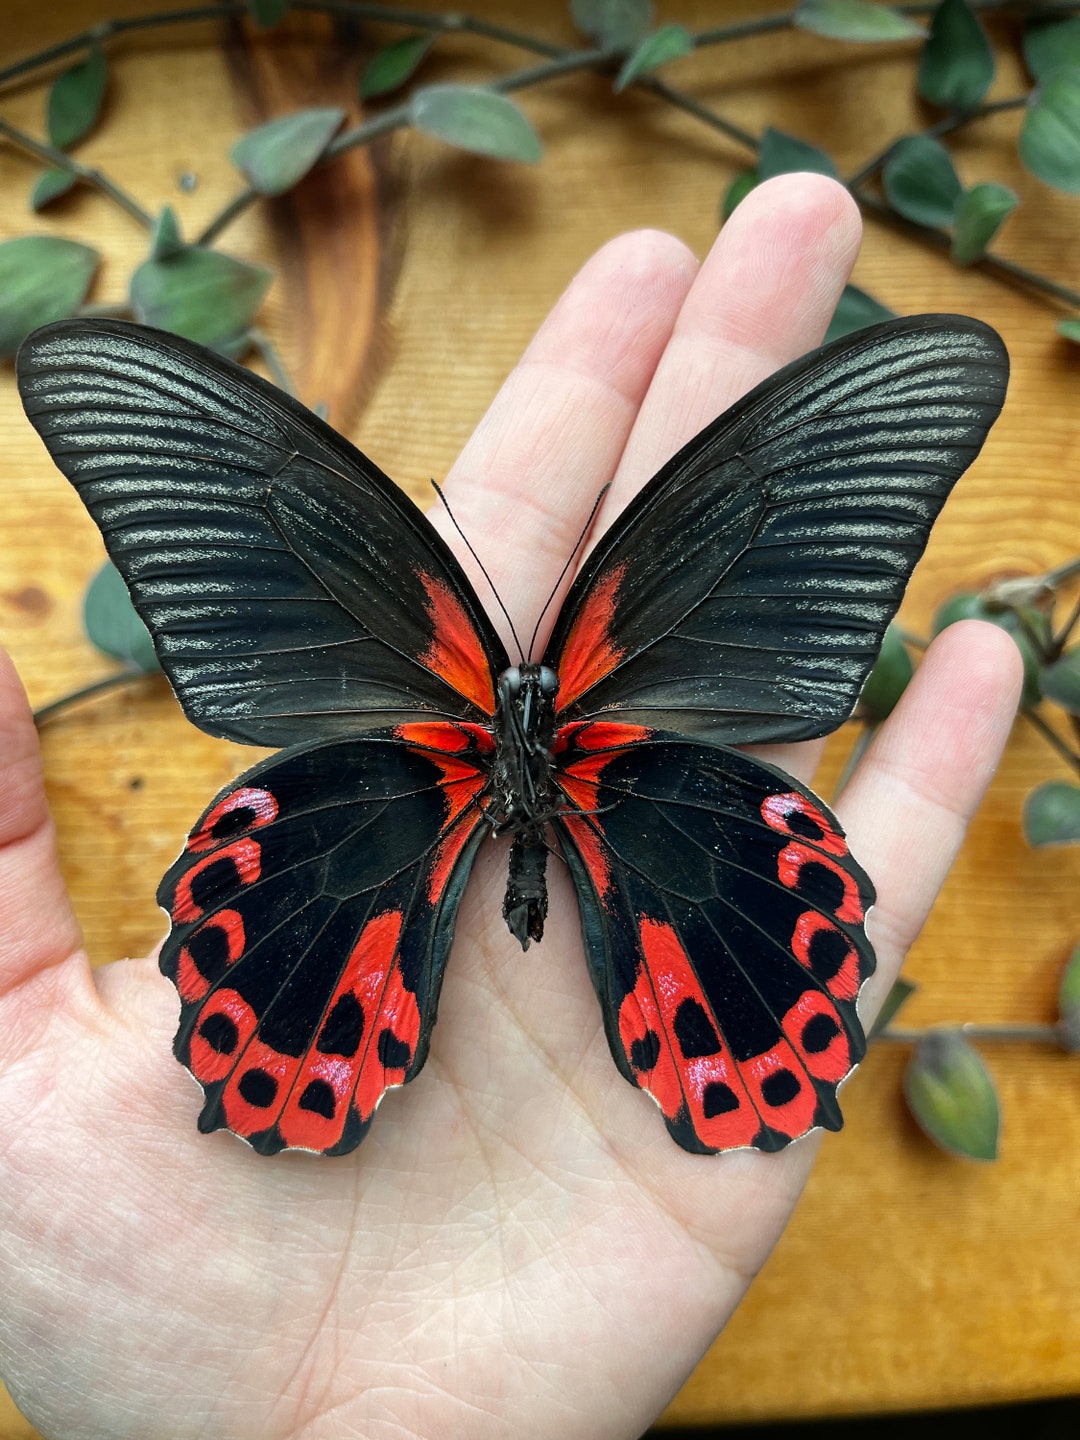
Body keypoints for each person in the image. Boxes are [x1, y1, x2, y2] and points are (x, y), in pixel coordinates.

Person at [0, 174, 1021, 1439]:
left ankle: (693, 1056)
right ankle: (665, 1060)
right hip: (622, 801)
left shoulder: (448, 668)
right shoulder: (597, 672)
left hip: (416, 803)